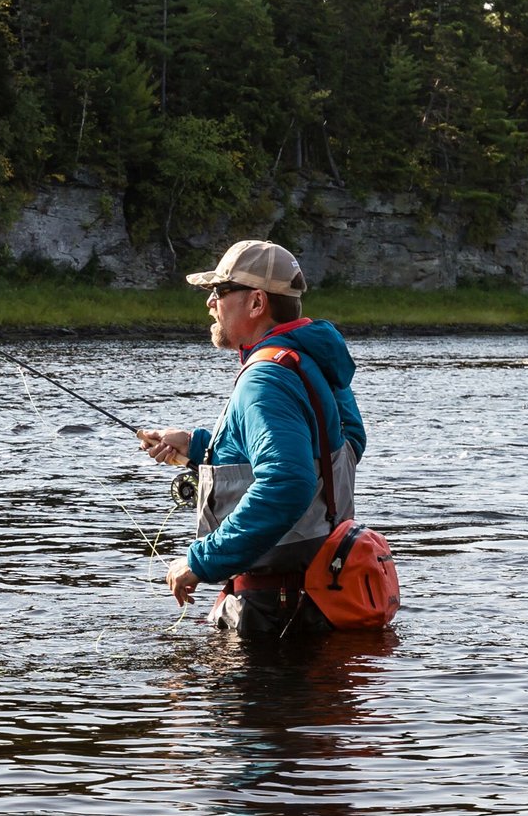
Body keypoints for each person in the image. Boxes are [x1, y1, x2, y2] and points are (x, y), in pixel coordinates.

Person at [139, 240, 367, 637]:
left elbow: (287, 482)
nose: (211, 302)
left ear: (257, 302)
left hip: (276, 610)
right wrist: (197, 447)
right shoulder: (308, 357)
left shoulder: (264, 378)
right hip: (322, 592)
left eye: (220, 291)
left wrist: (201, 561)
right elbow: (344, 445)